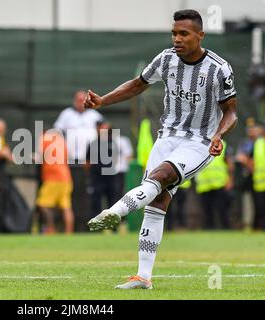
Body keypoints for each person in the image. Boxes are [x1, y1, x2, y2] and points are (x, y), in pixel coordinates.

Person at [85, 10, 238, 289]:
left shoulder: (219, 68)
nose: (176, 39)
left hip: (199, 141)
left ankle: (115, 212)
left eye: (184, 34)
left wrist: (219, 135)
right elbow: (137, 85)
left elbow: (231, 112)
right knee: (157, 203)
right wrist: (103, 101)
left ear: (200, 36)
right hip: (166, 137)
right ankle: (143, 277)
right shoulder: (166, 58)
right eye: (174, 33)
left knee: (163, 175)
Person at [54, 90, 104, 231]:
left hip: (90, 162)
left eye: (83, 99)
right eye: (78, 99)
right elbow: (56, 133)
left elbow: (104, 132)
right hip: (70, 162)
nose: (80, 102)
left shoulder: (95, 115)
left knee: (87, 193)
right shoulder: (66, 115)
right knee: (71, 193)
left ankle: (87, 225)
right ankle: (70, 226)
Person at [36, 129, 74, 234]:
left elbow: (39, 156)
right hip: (66, 178)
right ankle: (69, 232)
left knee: (42, 204)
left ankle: (50, 229)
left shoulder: (45, 139)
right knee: (66, 206)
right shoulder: (62, 142)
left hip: (53, 178)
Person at [195, 141, 235, 229]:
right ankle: (209, 229)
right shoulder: (199, 143)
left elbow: (230, 164)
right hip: (204, 184)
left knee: (222, 208)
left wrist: (230, 180)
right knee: (207, 209)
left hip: (219, 183)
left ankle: (226, 228)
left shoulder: (223, 144)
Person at [85, 121, 120, 221]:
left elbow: (116, 159)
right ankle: (96, 225)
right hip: (97, 177)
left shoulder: (112, 143)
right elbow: (87, 162)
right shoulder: (93, 144)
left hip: (110, 177)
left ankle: (113, 226)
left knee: (113, 201)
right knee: (95, 201)